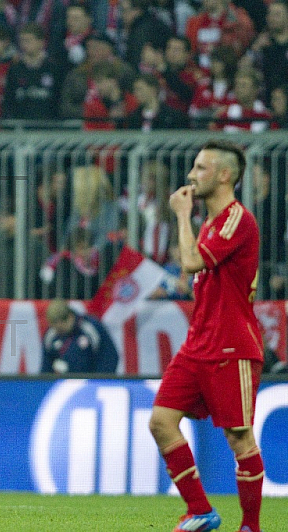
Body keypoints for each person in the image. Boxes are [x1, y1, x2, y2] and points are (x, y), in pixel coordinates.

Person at [149, 140, 264, 532]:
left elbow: (192, 261)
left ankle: (250, 526)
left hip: (232, 343)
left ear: (224, 175)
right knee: (161, 421)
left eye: (200, 168)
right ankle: (200, 510)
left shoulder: (237, 219)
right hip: (199, 342)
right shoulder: (213, 224)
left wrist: (181, 216)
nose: (191, 175)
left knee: (239, 437)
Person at [41, 299, 119, 374]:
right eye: (55, 328)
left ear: (70, 317)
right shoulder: (51, 334)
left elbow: (109, 357)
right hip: (63, 384)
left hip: (91, 383)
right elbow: (46, 365)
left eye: (61, 328)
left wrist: (98, 381)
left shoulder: (91, 328)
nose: (58, 332)